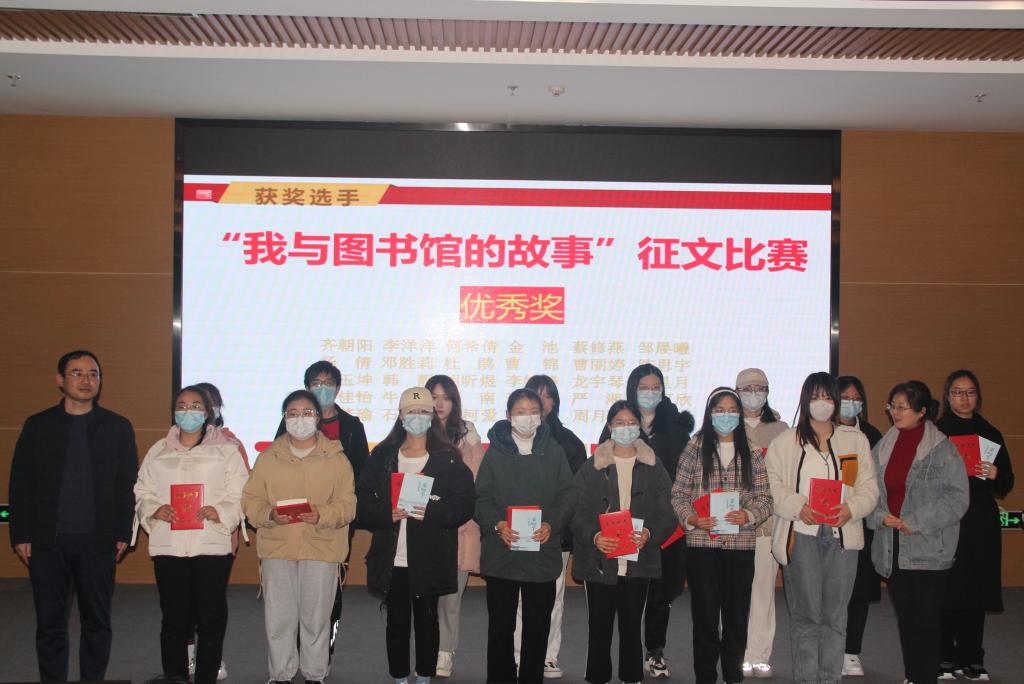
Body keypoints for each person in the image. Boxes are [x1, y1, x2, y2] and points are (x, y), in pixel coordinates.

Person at [8, 349, 138, 682]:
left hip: (98, 541)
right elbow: (20, 483)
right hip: (47, 542)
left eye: (93, 374)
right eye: (77, 373)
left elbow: (127, 486)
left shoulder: (118, 427)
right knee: (49, 624)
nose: (86, 380)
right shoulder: (38, 426)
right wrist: (20, 534)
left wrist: (123, 531)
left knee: (97, 622)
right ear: (60, 380)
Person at [765, 372, 878, 684]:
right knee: (807, 616)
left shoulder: (855, 440)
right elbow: (772, 484)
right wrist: (798, 506)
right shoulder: (785, 442)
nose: (822, 403)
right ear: (805, 400)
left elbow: (869, 488)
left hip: (843, 536)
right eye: (815, 397)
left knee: (835, 617)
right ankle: (806, 678)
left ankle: (830, 678)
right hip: (802, 534)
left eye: (828, 397)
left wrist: (851, 508)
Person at [357, 386, 476, 684]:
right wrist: (387, 513)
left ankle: (424, 675)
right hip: (393, 557)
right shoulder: (382, 456)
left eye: (423, 411)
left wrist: (430, 512)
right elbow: (363, 503)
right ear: (400, 416)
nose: (417, 417)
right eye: (411, 412)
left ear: (432, 416)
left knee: (427, 620)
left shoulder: (448, 459)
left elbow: (464, 505)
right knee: (396, 621)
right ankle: (399, 676)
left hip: (430, 557)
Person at [133, 385, 249, 684]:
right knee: (174, 619)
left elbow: (241, 493)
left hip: (211, 546)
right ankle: (175, 678)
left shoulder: (226, 450)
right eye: (182, 406)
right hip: (169, 546)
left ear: (207, 412)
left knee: (211, 618)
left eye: (196, 406)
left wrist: (220, 512)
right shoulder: (158, 451)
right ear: (174, 412)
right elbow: (142, 491)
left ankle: (206, 677)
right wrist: (155, 510)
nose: (188, 411)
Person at [242, 389, 357, 684]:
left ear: (318, 418)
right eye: (292, 414)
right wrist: (269, 514)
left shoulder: (336, 459)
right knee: (279, 619)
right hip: (278, 546)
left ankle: (314, 674)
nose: (300, 419)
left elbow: (348, 505)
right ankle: (280, 674)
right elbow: (251, 500)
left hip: (321, 547)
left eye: (307, 413)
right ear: (284, 419)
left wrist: (322, 515)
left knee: (315, 619)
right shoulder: (268, 458)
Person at [867, 380, 969, 684]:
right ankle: (913, 676)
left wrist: (914, 520)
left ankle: (925, 677)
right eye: (892, 406)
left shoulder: (942, 449)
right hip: (893, 546)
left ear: (922, 411)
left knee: (926, 621)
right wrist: (880, 516)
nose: (895, 412)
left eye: (903, 407)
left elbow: (957, 499)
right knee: (907, 619)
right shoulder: (883, 446)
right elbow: (868, 492)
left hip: (929, 547)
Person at [475, 388, 577, 684]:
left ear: (542, 415)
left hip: (541, 554)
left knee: (537, 628)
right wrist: (497, 524)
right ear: (509, 416)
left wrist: (552, 524)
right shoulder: (494, 453)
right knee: (500, 628)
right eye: (520, 412)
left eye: (533, 411)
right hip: (502, 553)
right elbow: (481, 498)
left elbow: (568, 494)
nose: (527, 417)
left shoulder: (554, 451)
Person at [572, 400, 677, 684]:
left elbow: (667, 512)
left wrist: (650, 533)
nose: (626, 428)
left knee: (631, 626)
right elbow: (576, 510)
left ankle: (632, 677)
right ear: (609, 426)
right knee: (599, 626)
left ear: (640, 426)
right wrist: (595, 535)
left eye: (631, 423)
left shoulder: (654, 466)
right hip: (599, 560)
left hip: (638, 560)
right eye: (619, 423)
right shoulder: (592, 466)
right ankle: (597, 677)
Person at [672, 387, 772, 684]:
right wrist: (692, 518)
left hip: (740, 546)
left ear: (739, 414)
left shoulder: (752, 450)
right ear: (710, 414)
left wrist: (748, 515)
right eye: (719, 410)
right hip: (703, 545)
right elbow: (678, 494)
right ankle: (705, 677)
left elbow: (765, 498)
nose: (725, 416)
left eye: (731, 410)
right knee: (704, 618)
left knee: (736, 618)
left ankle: (732, 676)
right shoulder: (694, 447)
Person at [599, 363, 694, 679]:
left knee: (660, 594)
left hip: (665, 525)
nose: (650, 393)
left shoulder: (677, 430)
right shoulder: (619, 423)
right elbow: (600, 471)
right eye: (644, 387)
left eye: (656, 387)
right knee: (626, 593)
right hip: (624, 525)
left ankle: (655, 651)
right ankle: (625, 657)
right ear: (632, 389)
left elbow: (686, 479)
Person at [275, 360, 370, 661]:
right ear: (307, 387)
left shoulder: (352, 426)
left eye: (328, 383)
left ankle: (322, 655)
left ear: (338, 388)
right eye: (316, 383)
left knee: (330, 591)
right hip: (295, 521)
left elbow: (362, 473)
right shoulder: (290, 424)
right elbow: (277, 465)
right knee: (292, 592)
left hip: (334, 521)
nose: (322, 388)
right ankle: (292, 655)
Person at [936, 370, 1014, 681]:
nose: (964, 398)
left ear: (977, 396)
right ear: (948, 397)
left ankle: (972, 656)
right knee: (948, 587)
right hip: (947, 518)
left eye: (970, 392)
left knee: (976, 589)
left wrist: (995, 474)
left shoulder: (990, 432)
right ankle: (944, 655)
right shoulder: (937, 431)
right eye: (957, 392)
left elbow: (1006, 482)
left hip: (980, 519)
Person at [518, 374, 587, 680]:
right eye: (535, 394)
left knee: (553, 598)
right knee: (520, 598)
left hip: (555, 533)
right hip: (519, 530)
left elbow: (574, 494)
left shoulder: (569, 443)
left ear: (555, 402)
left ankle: (547, 656)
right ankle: (518, 655)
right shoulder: (510, 439)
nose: (540, 401)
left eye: (546, 395)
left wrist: (554, 522)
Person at [426, 375, 487, 679]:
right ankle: (427, 649)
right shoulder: (416, 432)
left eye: (446, 397)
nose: (439, 404)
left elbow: (476, 481)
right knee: (425, 597)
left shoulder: (468, 435)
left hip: (460, 527)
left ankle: (445, 652)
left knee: (451, 599)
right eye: (434, 397)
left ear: (454, 401)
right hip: (424, 526)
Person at [734, 368, 789, 679]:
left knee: (764, 591)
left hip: (767, 523)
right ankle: (736, 651)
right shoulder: (725, 425)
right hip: (732, 524)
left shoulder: (782, 431)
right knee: (733, 591)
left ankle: (759, 654)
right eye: (747, 388)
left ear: (767, 392)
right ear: (737, 392)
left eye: (759, 388)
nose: (753, 393)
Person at [194, 381, 247, 681]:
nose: (205, 409)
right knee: (181, 603)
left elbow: (243, 491)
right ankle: (187, 655)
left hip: (219, 535)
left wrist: (230, 525)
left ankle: (212, 659)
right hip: (179, 537)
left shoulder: (232, 444)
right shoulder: (169, 445)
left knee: (211, 601)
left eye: (210, 403)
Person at [835, 375, 884, 677]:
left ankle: (851, 651)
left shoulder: (871, 434)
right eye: (845, 397)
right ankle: (830, 646)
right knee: (828, 589)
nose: (851, 403)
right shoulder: (820, 431)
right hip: (826, 520)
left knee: (858, 589)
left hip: (860, 521)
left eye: (856, 398)